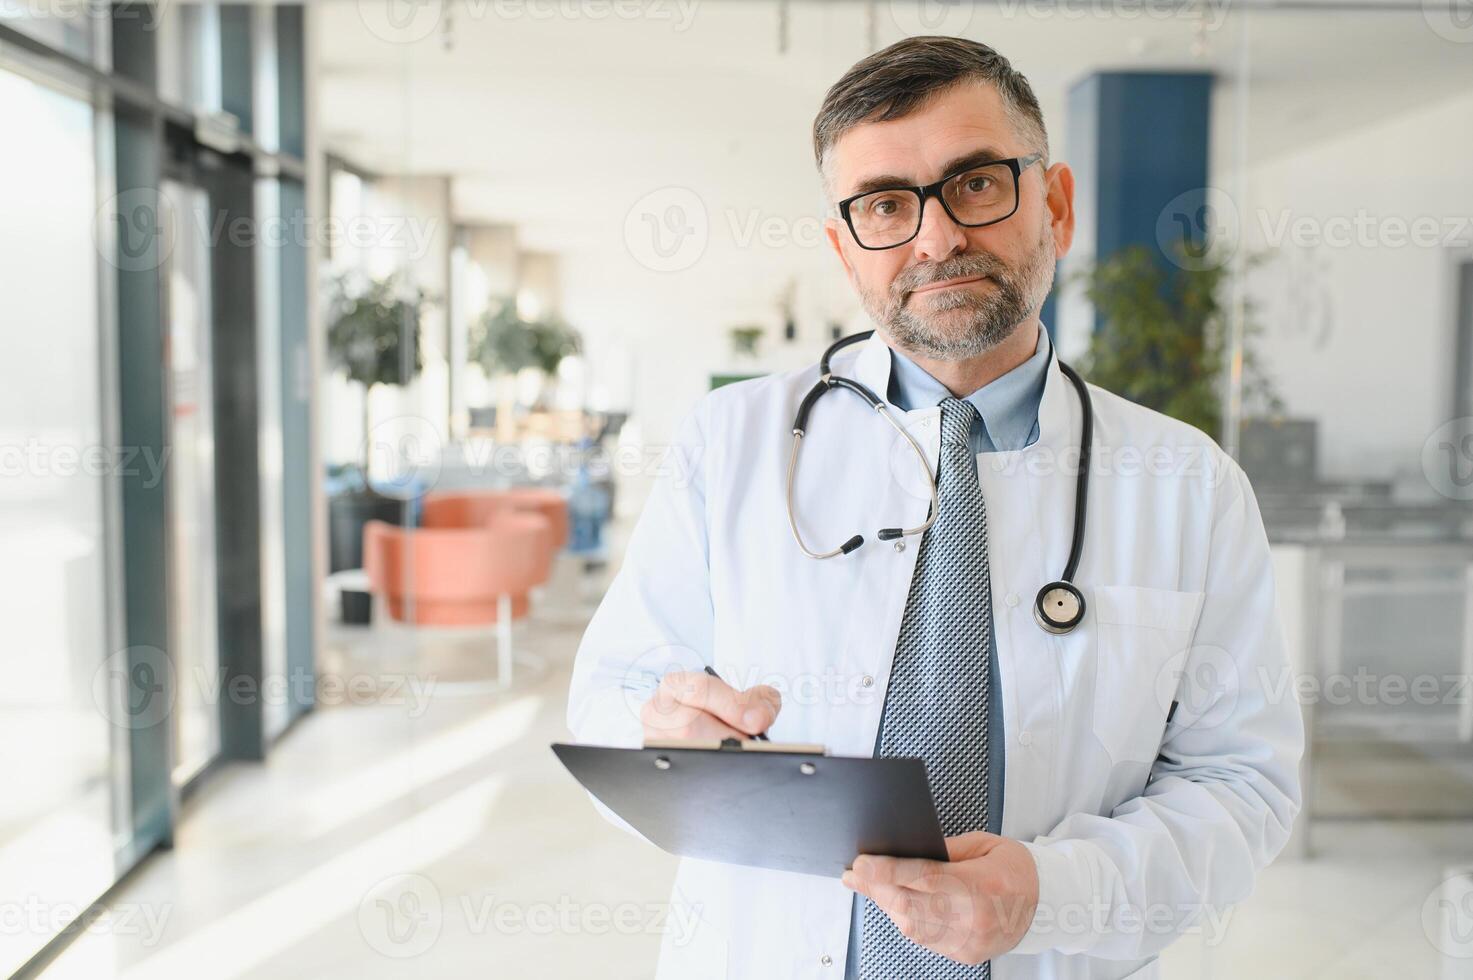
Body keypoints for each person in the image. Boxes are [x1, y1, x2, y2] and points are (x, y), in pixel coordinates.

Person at [567, 35, 1302, 980]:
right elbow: (608, 699)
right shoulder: (728, 445)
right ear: (844, 248)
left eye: (977, 183)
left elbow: (1240, 784)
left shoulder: (1189, 486)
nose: (936, 237)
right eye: (884, 204)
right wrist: (658, 732)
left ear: (1057, 204)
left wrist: (1052, 892)